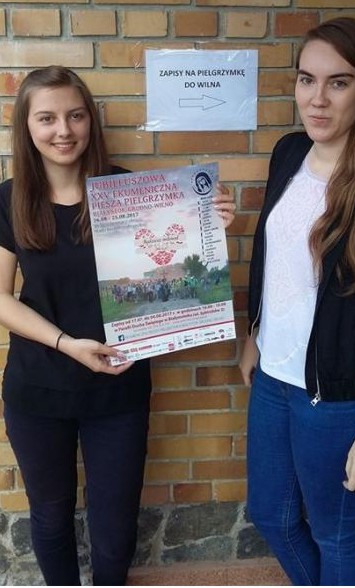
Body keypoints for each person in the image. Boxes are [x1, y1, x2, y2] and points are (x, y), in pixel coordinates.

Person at [0, 65, 235, 586]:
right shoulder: (8, 200)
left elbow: (178, 268)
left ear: (91, 120)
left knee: (115, 528)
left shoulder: (131, 192)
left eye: (75, 115)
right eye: (47, 118)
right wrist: (66, 344)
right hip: (38, 390)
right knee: (50, 517)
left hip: (119, 389)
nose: (64, 130)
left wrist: (208, 227)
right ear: (27, 126)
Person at [239, 17, 355, 587]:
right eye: (306, 79)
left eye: (338, 82)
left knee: (336, 533)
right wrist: (255, 334)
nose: (317, 99)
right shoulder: (289, 152)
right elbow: (273, 259)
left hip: (337, 396)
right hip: (272, 379)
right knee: (272, 515)